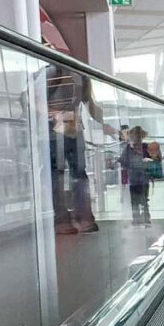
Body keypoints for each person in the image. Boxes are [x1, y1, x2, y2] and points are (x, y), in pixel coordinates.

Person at [46, 66, 116, 234]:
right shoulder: (53, 72)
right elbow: (32, 100)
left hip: (73, 132)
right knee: (59, 175)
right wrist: (56, 115)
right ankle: (63, 218)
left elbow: (90, 105)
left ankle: (82, 216)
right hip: (55, 134)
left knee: (78, 174)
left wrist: (106, 123)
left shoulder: (81, 75)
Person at [120, 125, 151, 225]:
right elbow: (123, 161)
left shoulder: (143, 147)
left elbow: (123, 161)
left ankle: (140, 217)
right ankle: (141, 217)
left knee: (140, 200)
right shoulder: (130, 148)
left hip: (140, 179)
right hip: (136, 179)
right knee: (139, 200)